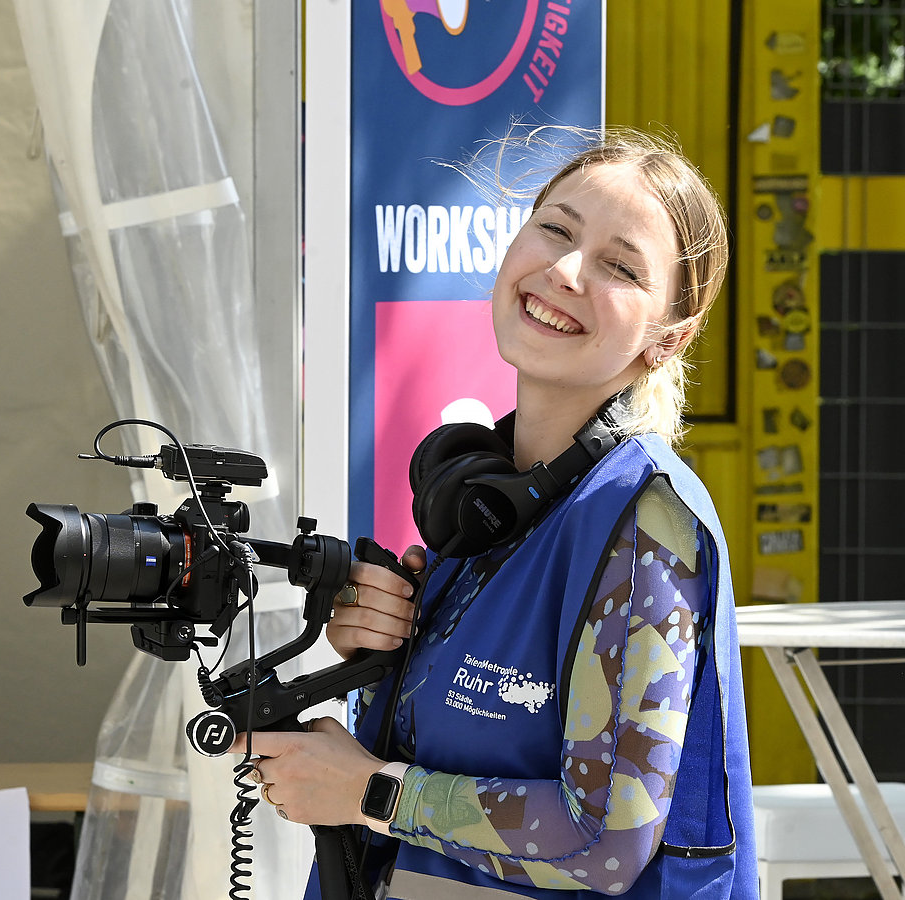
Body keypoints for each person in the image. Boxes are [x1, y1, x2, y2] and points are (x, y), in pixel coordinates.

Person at [237, 129, 758, 899]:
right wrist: (381, 659)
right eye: (556, 229)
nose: (566, 270)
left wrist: (370, 792)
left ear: (667, 338)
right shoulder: (487, 505)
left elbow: (605, 841)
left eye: (620, 267)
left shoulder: (644, 522)